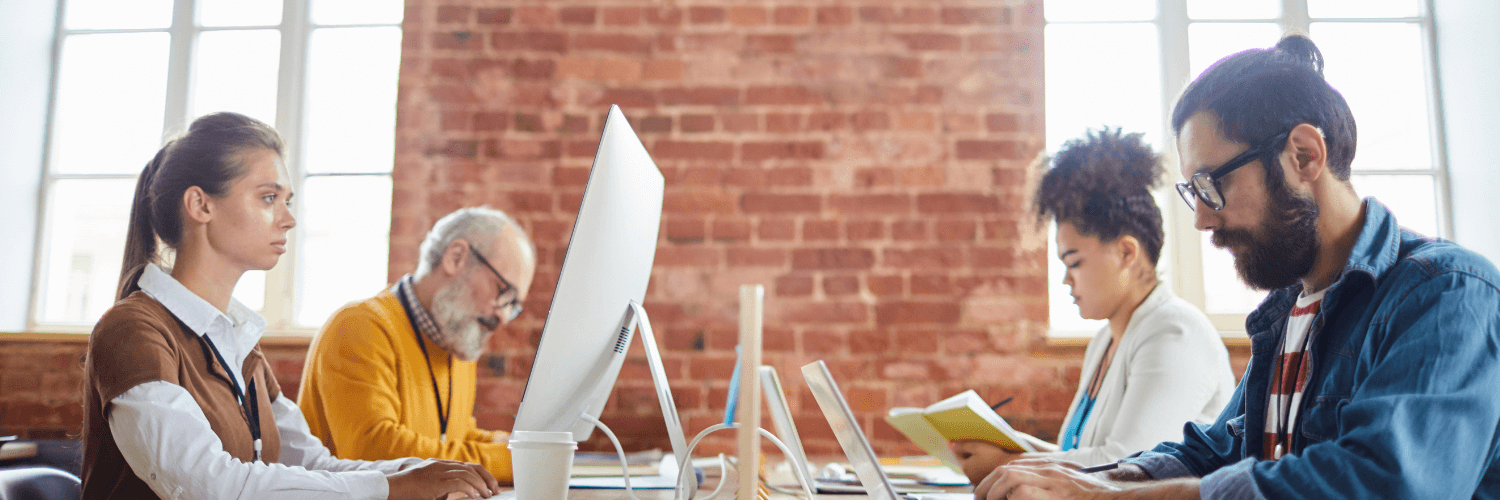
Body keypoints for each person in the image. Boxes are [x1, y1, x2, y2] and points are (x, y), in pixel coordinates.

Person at [973, 34, 1500, 500]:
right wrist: (1091, 481)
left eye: (1211, 185)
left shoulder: (1448, 294)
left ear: (1303, 156)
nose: (1201, 219)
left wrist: (1102, 498)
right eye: (1192, 193)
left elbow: (1381, 483)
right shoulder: (1288, 311)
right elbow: (1220, 449)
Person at [81, 112, 500, 500]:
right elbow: (209, 484)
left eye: (287, 200)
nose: (288, 219)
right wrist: (391, 486)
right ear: (200, 205)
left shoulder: (237, 344)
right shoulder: (132, 331)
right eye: (268, 198)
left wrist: (423, 471)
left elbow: (314, 465)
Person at [950, 129, 1236, 485]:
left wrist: (1009, 462)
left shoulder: (1175, 332)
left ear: (1126, 253)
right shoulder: (1106, 338)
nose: (1066, 281)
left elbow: (1129, 465)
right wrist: (1007, 447)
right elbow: (1080, 453)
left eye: (1075, 262)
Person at [297, 207, 536, 483]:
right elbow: (375, 451)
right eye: (503, 292)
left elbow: (452, 437)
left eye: (513, 306)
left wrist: (503, 442)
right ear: (456, 258)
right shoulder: (358, 326)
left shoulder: (455, 340)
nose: (503, 316)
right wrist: (512, 460)